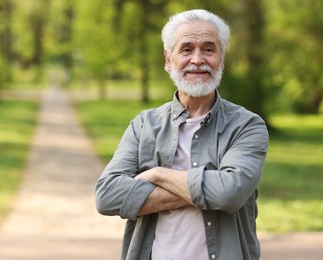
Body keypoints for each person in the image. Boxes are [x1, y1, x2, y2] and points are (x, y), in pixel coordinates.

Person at [95, 9, 269, 260]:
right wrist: (210, 188)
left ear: (222, 60)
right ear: (168, 59)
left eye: (209, 49)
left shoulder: (246, 125)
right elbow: (107, 196)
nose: (197, 59)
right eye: (186, 49)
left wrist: (157, 175)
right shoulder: (144, 125)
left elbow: (230, 193)